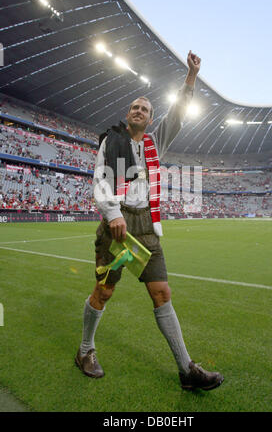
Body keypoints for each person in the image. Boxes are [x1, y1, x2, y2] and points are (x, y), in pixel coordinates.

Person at [75, 51, 224, 391]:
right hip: (118, 227)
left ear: (151, 118)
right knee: (105, 290)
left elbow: (179, 113)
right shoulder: (111, 141)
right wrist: (112, 214)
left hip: (148, 228)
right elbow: (100, 178)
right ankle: (85, 351)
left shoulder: (157, 143)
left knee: (161, 293)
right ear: (128, 115)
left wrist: (191, 77)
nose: (138, 111)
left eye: (144, 109)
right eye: (134, 108)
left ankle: (187, 370)